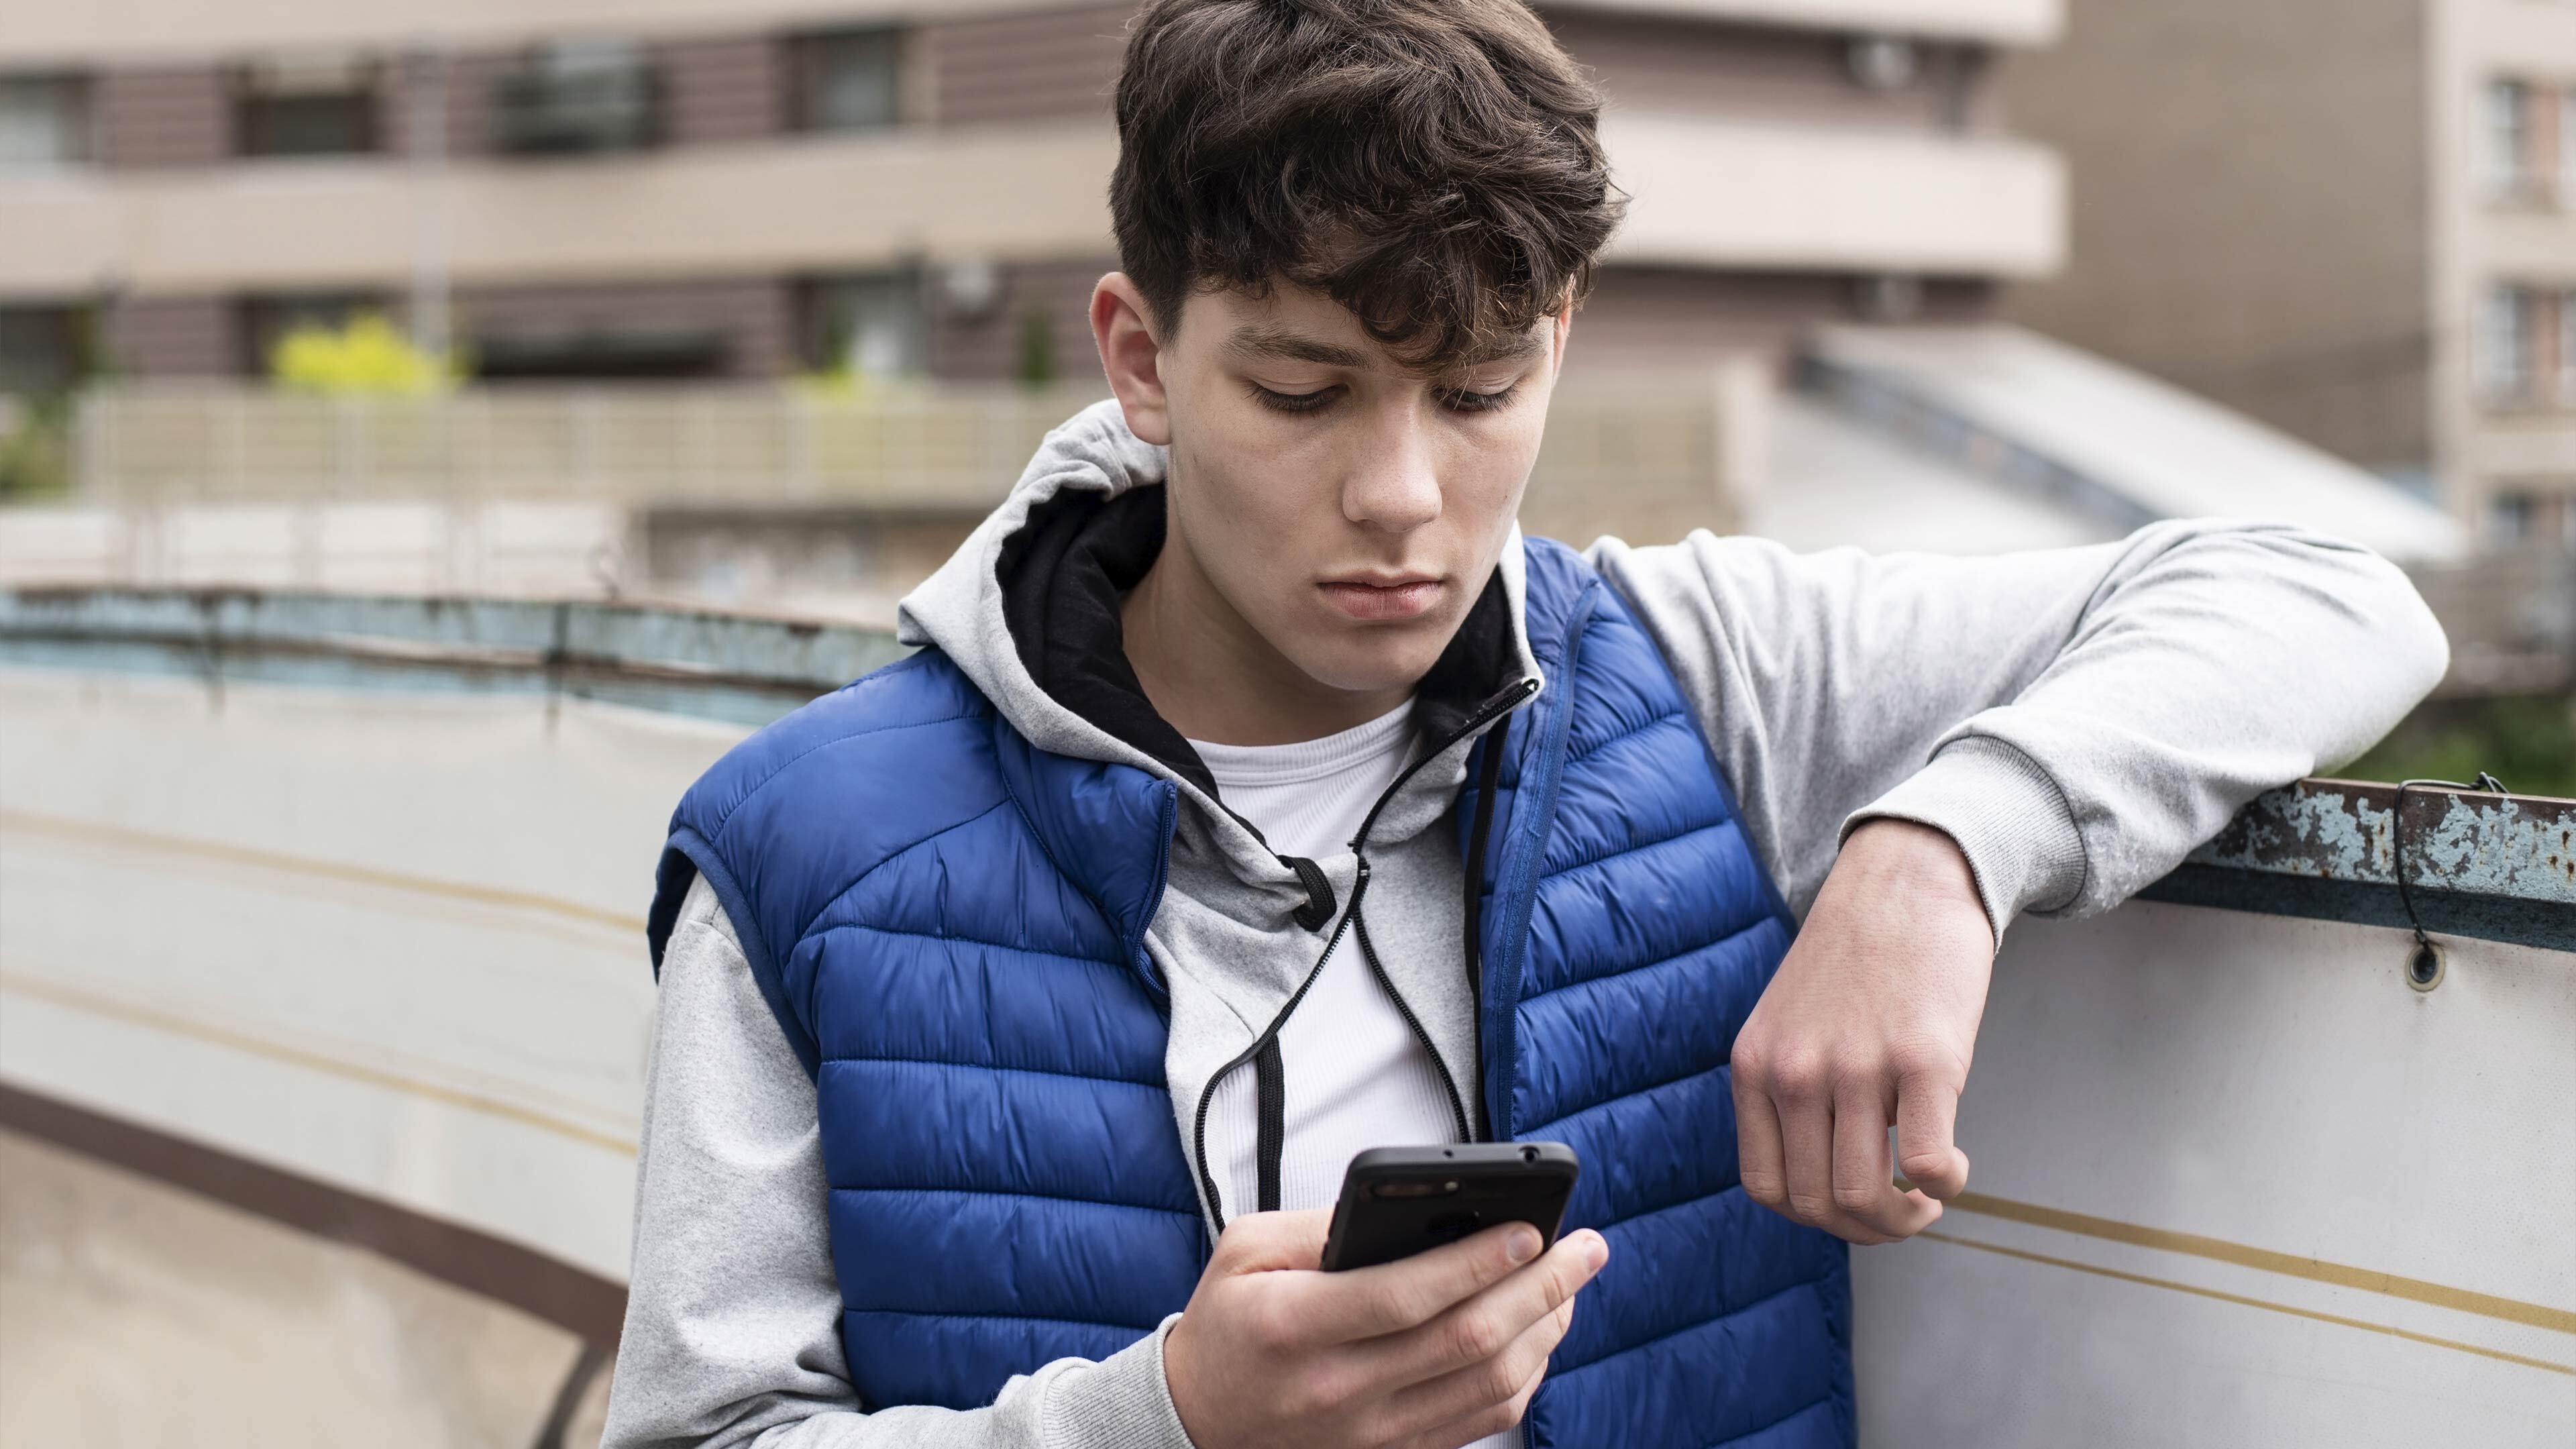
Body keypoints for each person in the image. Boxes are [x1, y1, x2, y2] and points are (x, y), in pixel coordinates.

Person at [602, 2, 2448, 1446]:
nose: (1404, 494)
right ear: (1143, 361)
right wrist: (1163, 1426)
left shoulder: (1697, 663)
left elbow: (2327, 590)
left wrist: (1943, 847)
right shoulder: (801, 855)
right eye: (1307, 392)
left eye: (1480, 390)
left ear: (1559, 342)